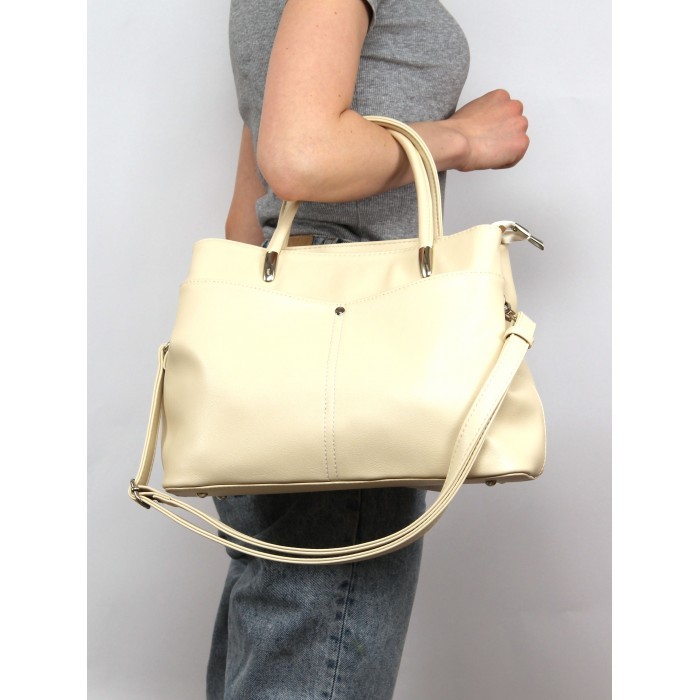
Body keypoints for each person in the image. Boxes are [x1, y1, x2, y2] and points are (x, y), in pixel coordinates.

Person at [207, 1, 529, 698]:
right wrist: (461, 139)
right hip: (349, 342)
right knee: (309, 646)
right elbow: (298, 156)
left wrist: (242, 354)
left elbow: (251, 201)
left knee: (278, 629)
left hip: (274, 332)